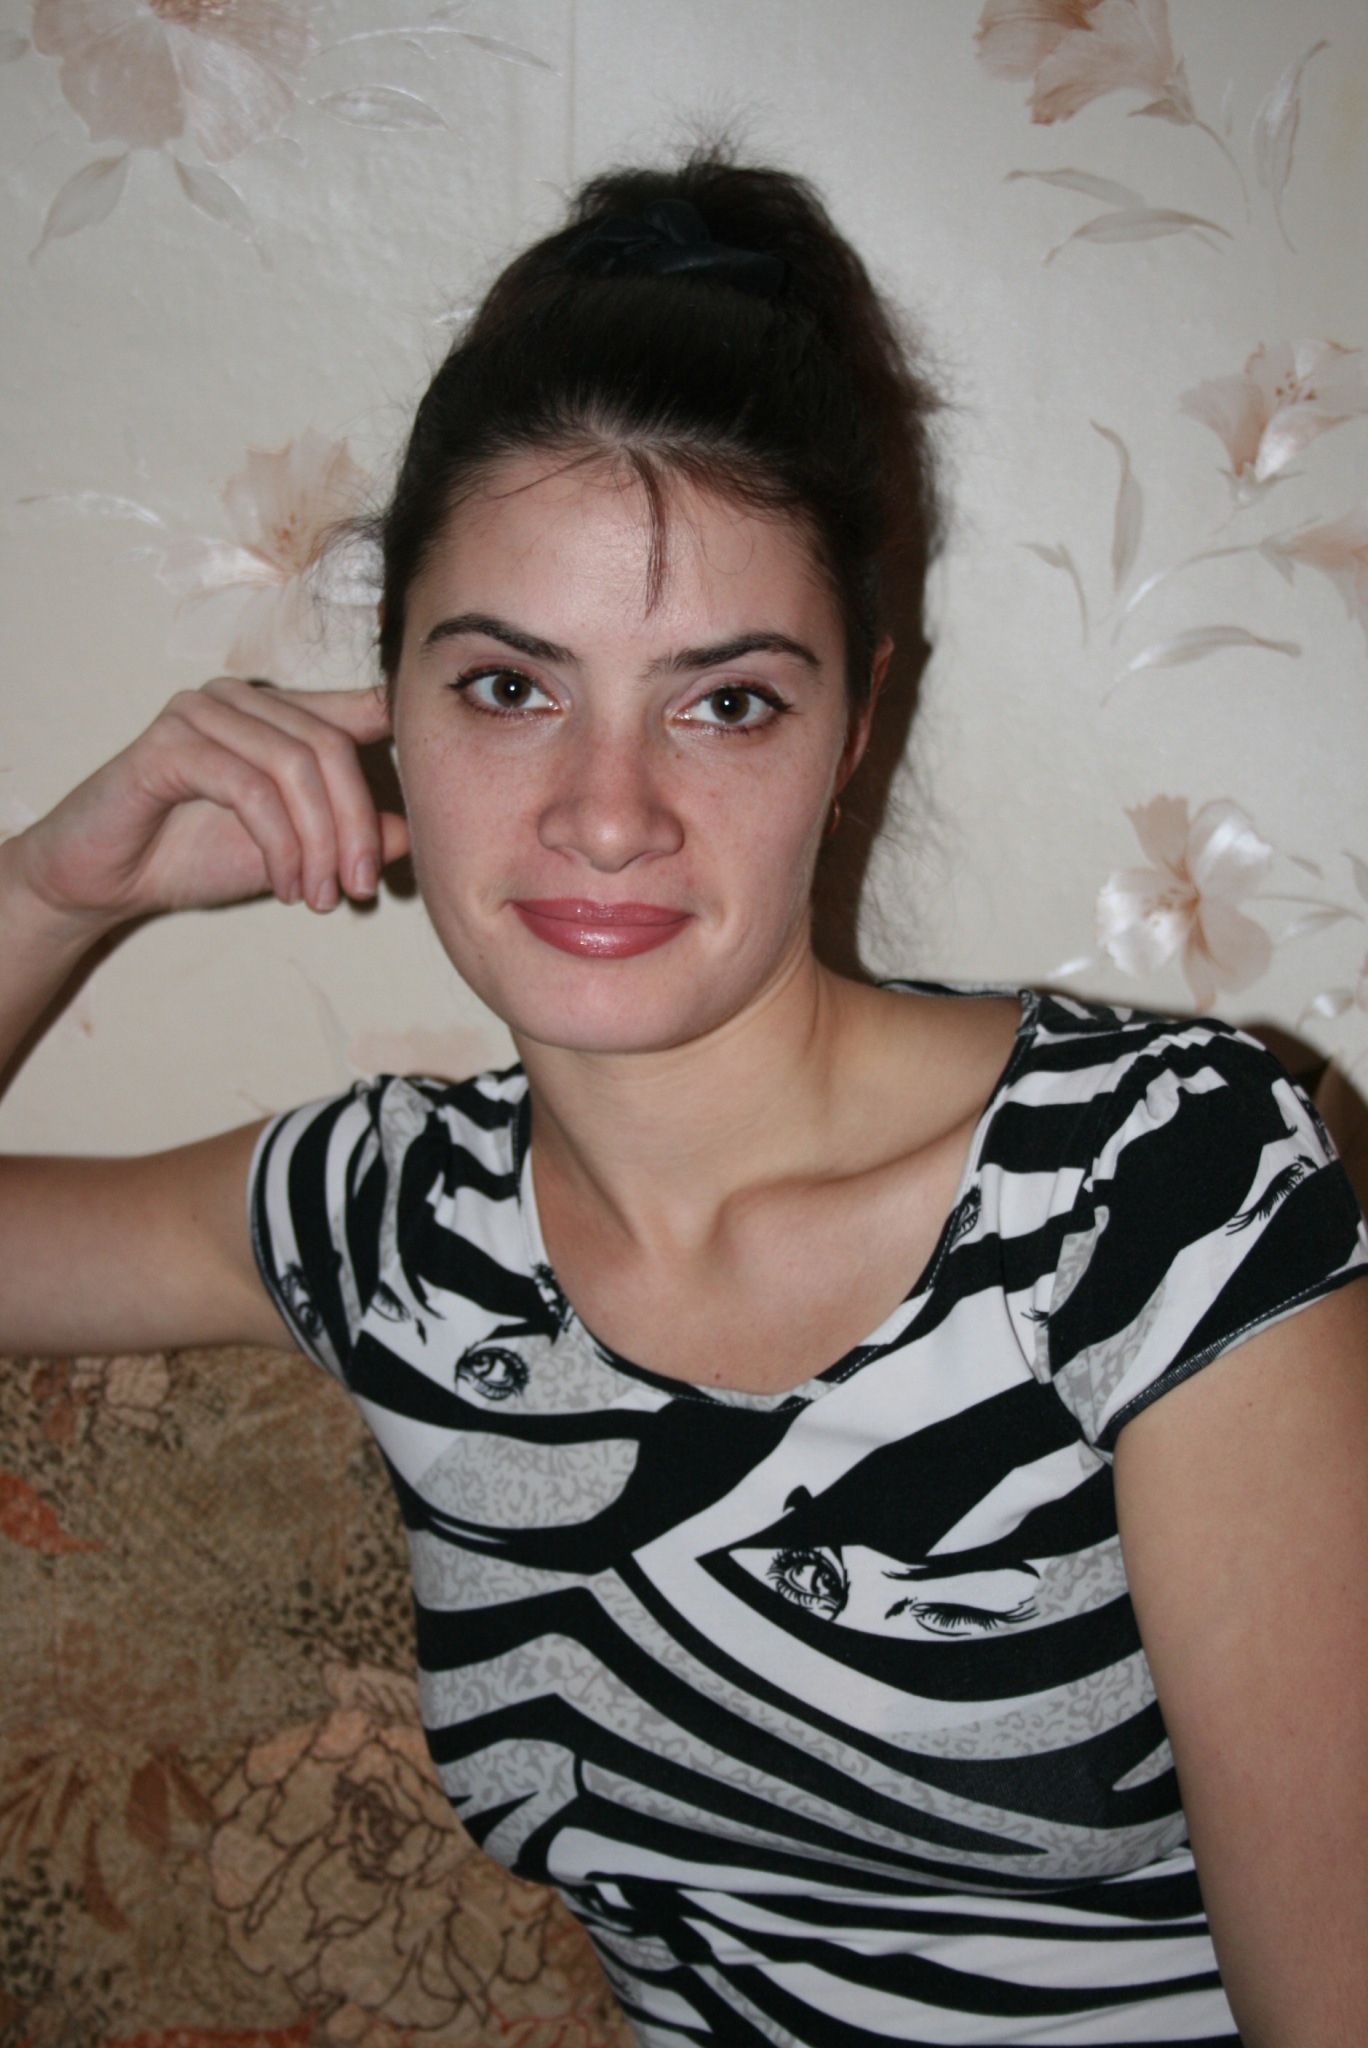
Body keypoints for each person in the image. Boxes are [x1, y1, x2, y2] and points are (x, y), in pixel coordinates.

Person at [1, 149, 1366, 2048]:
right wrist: (51, 889)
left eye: (724, 701)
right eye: (511, 688)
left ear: (854, 724)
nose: (607, 812)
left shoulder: (1157, 1186)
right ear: (388, 703)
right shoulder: (394, 1230)